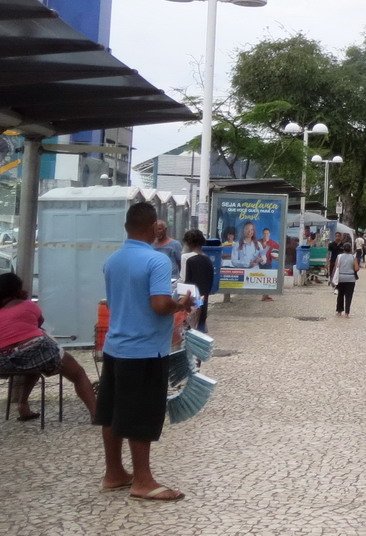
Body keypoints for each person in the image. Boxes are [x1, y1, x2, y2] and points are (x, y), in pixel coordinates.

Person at [97, 202, 194, 501]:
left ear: (127, 226)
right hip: (145, 350)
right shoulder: (157, 261)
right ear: (153, 227)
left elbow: (115, 303)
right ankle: (142, 480)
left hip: (115, 347)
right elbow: (159, 304)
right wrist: (181, 304)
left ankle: (114, 472)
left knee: (112, 412)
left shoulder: (112, 261)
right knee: (141, 414)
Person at [0, 273, 97, 422]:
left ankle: (23, 405)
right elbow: (39, 323)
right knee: (78, 374)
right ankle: (95, 413)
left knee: (31, 366)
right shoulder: (29, 305)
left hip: (5, 361)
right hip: (36, 351)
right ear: (18, 289)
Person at [182, 229, 215, 334]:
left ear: (188, 242)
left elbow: (184, 280)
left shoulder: (187, 258)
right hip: (203, 300)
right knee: (199, 330)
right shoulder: (207, 259)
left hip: (190, 300)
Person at [334, 242, 360, 317]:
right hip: (351, 279)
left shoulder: (339, 256)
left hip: (341, 278)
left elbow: (336, 267)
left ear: (343, 249)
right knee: (349, 296)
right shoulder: (353, 257)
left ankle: (339, 311)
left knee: (340, 295)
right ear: (350, 249)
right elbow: (356, 268)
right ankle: (347, 313)